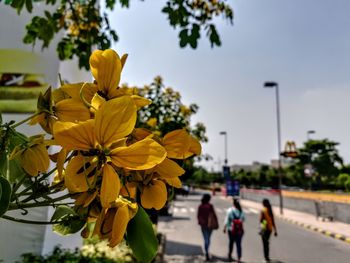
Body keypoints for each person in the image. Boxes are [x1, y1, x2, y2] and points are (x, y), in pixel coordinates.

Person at [223, 198, 245, 262]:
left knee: (231, 243)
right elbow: (243, 219)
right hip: (240, 231)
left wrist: (224, 228)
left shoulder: (230, 210)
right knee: (239, 244)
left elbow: (227, 220)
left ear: (233, 203)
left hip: (231, 230)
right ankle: (239, 258)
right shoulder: (241, 211)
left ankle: (230, 255)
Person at [197, 193, 218, 261]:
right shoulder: (210, 206)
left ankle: (206, 252)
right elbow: (214, 215)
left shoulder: (200, 206)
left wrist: (200, 222)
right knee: (208, 238)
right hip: (210, 225)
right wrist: (216, 223)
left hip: (203, 225)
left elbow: (198, 216)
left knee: (206, 239)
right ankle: (206, 251)